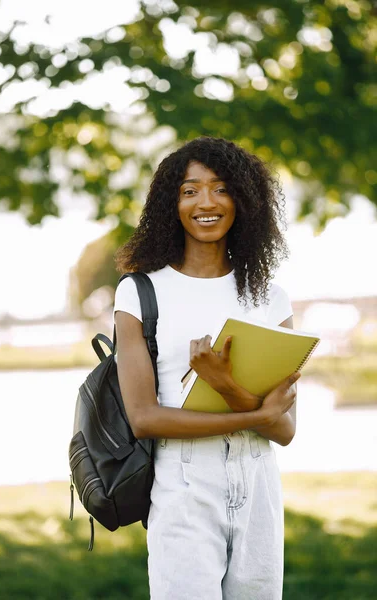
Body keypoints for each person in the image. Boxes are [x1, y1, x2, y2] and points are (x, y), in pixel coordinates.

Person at [113, 136, 300, 600]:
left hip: (258, 482)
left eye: (220, 188)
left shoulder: (269, 298)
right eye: (189, 190)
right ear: (170, 204)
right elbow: (144, 418)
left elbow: (286, 430)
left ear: (243, 199)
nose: (206, 203)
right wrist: (255, 415)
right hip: (183, 484)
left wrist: (221, 383)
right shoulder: (139, 293)